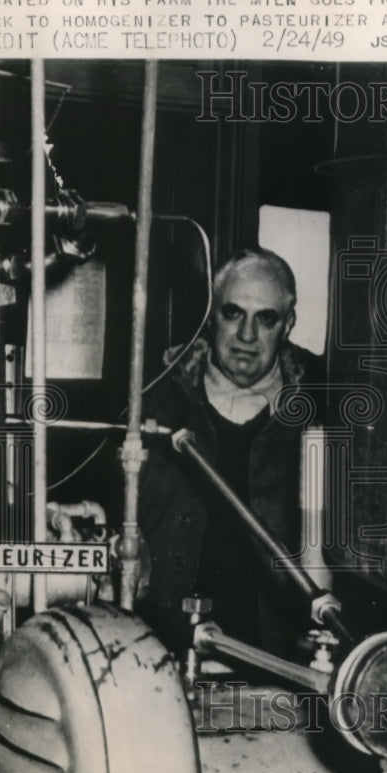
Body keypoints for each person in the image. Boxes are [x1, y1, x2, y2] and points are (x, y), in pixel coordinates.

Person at [135, 248, 323, 658]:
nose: (247, 336)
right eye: (233, 313)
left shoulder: (321, 410)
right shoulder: (153, 401)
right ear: (210, 315)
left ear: (288, 324)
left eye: (266, 318)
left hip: (279, 671)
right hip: (158, 662)